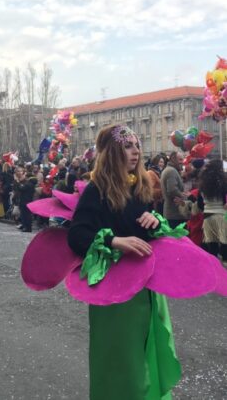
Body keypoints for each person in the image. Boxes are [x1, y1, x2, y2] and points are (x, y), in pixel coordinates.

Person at [68, 124, 181, 400]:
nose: (136, 152)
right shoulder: (97, 189)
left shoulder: (140, 186)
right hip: (114, 291)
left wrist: (155, 222)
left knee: (146, 351)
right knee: (121, 359)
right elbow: (77, 234)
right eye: (128, 146)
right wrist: (115, 241)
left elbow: (148, 231)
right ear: (113, 152)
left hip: (145, 287)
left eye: (137, 146)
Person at [196, 159, 227, 261]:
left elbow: (200, 204)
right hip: (222, 216)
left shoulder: (202, 184)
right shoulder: (223, 182)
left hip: (207, 217)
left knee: (211, 246)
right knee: (224, 243)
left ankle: (214, 268)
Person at [160, 151, 187, 228]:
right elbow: (172, 190)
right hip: (174, 214)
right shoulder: (171, 171)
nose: (182, 162)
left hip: (173, 213)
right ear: (173, 159)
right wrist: (185, 197)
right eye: (180, 160)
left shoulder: (170, 170)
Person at [12, 166, 37, 232]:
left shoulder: (29, 184)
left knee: (26, 215)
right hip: (27, 200)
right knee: (25, 215)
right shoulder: (30, 184)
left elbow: (21, 188)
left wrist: (17, 181)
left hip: (25, 201)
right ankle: (25, 226)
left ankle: (27, 228)